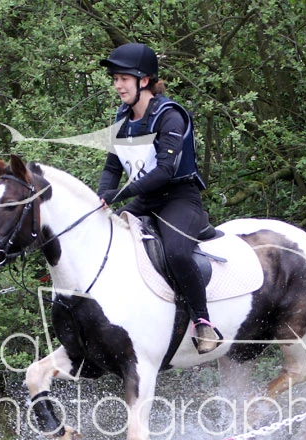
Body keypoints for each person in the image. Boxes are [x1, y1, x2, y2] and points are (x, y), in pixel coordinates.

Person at [97, 42, 222, 354]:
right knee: (107, 241)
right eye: (115, 79)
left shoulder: (170, 116)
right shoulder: (122, 118)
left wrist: (118, 195)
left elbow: (165, 171)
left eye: (124, 78)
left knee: (177, 252)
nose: (118, 85)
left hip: (179, 198)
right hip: (145, 200)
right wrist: (101, 198)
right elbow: (112, 168)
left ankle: (203, 323)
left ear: (144, 80)